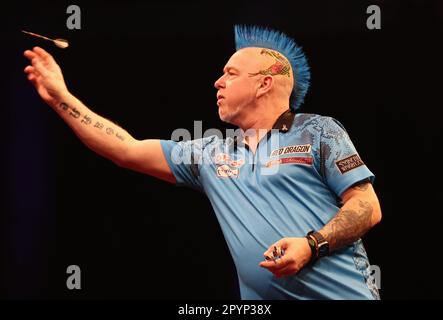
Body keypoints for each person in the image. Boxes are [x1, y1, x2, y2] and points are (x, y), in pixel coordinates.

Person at [23, 25, 382, 300]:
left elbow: (367, 205)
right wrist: (61, 97)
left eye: (231, 73)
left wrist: (311, 244)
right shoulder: (211, 154)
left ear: (264, 84)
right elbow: (126, 149)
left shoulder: (318, 131)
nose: (217, 82)